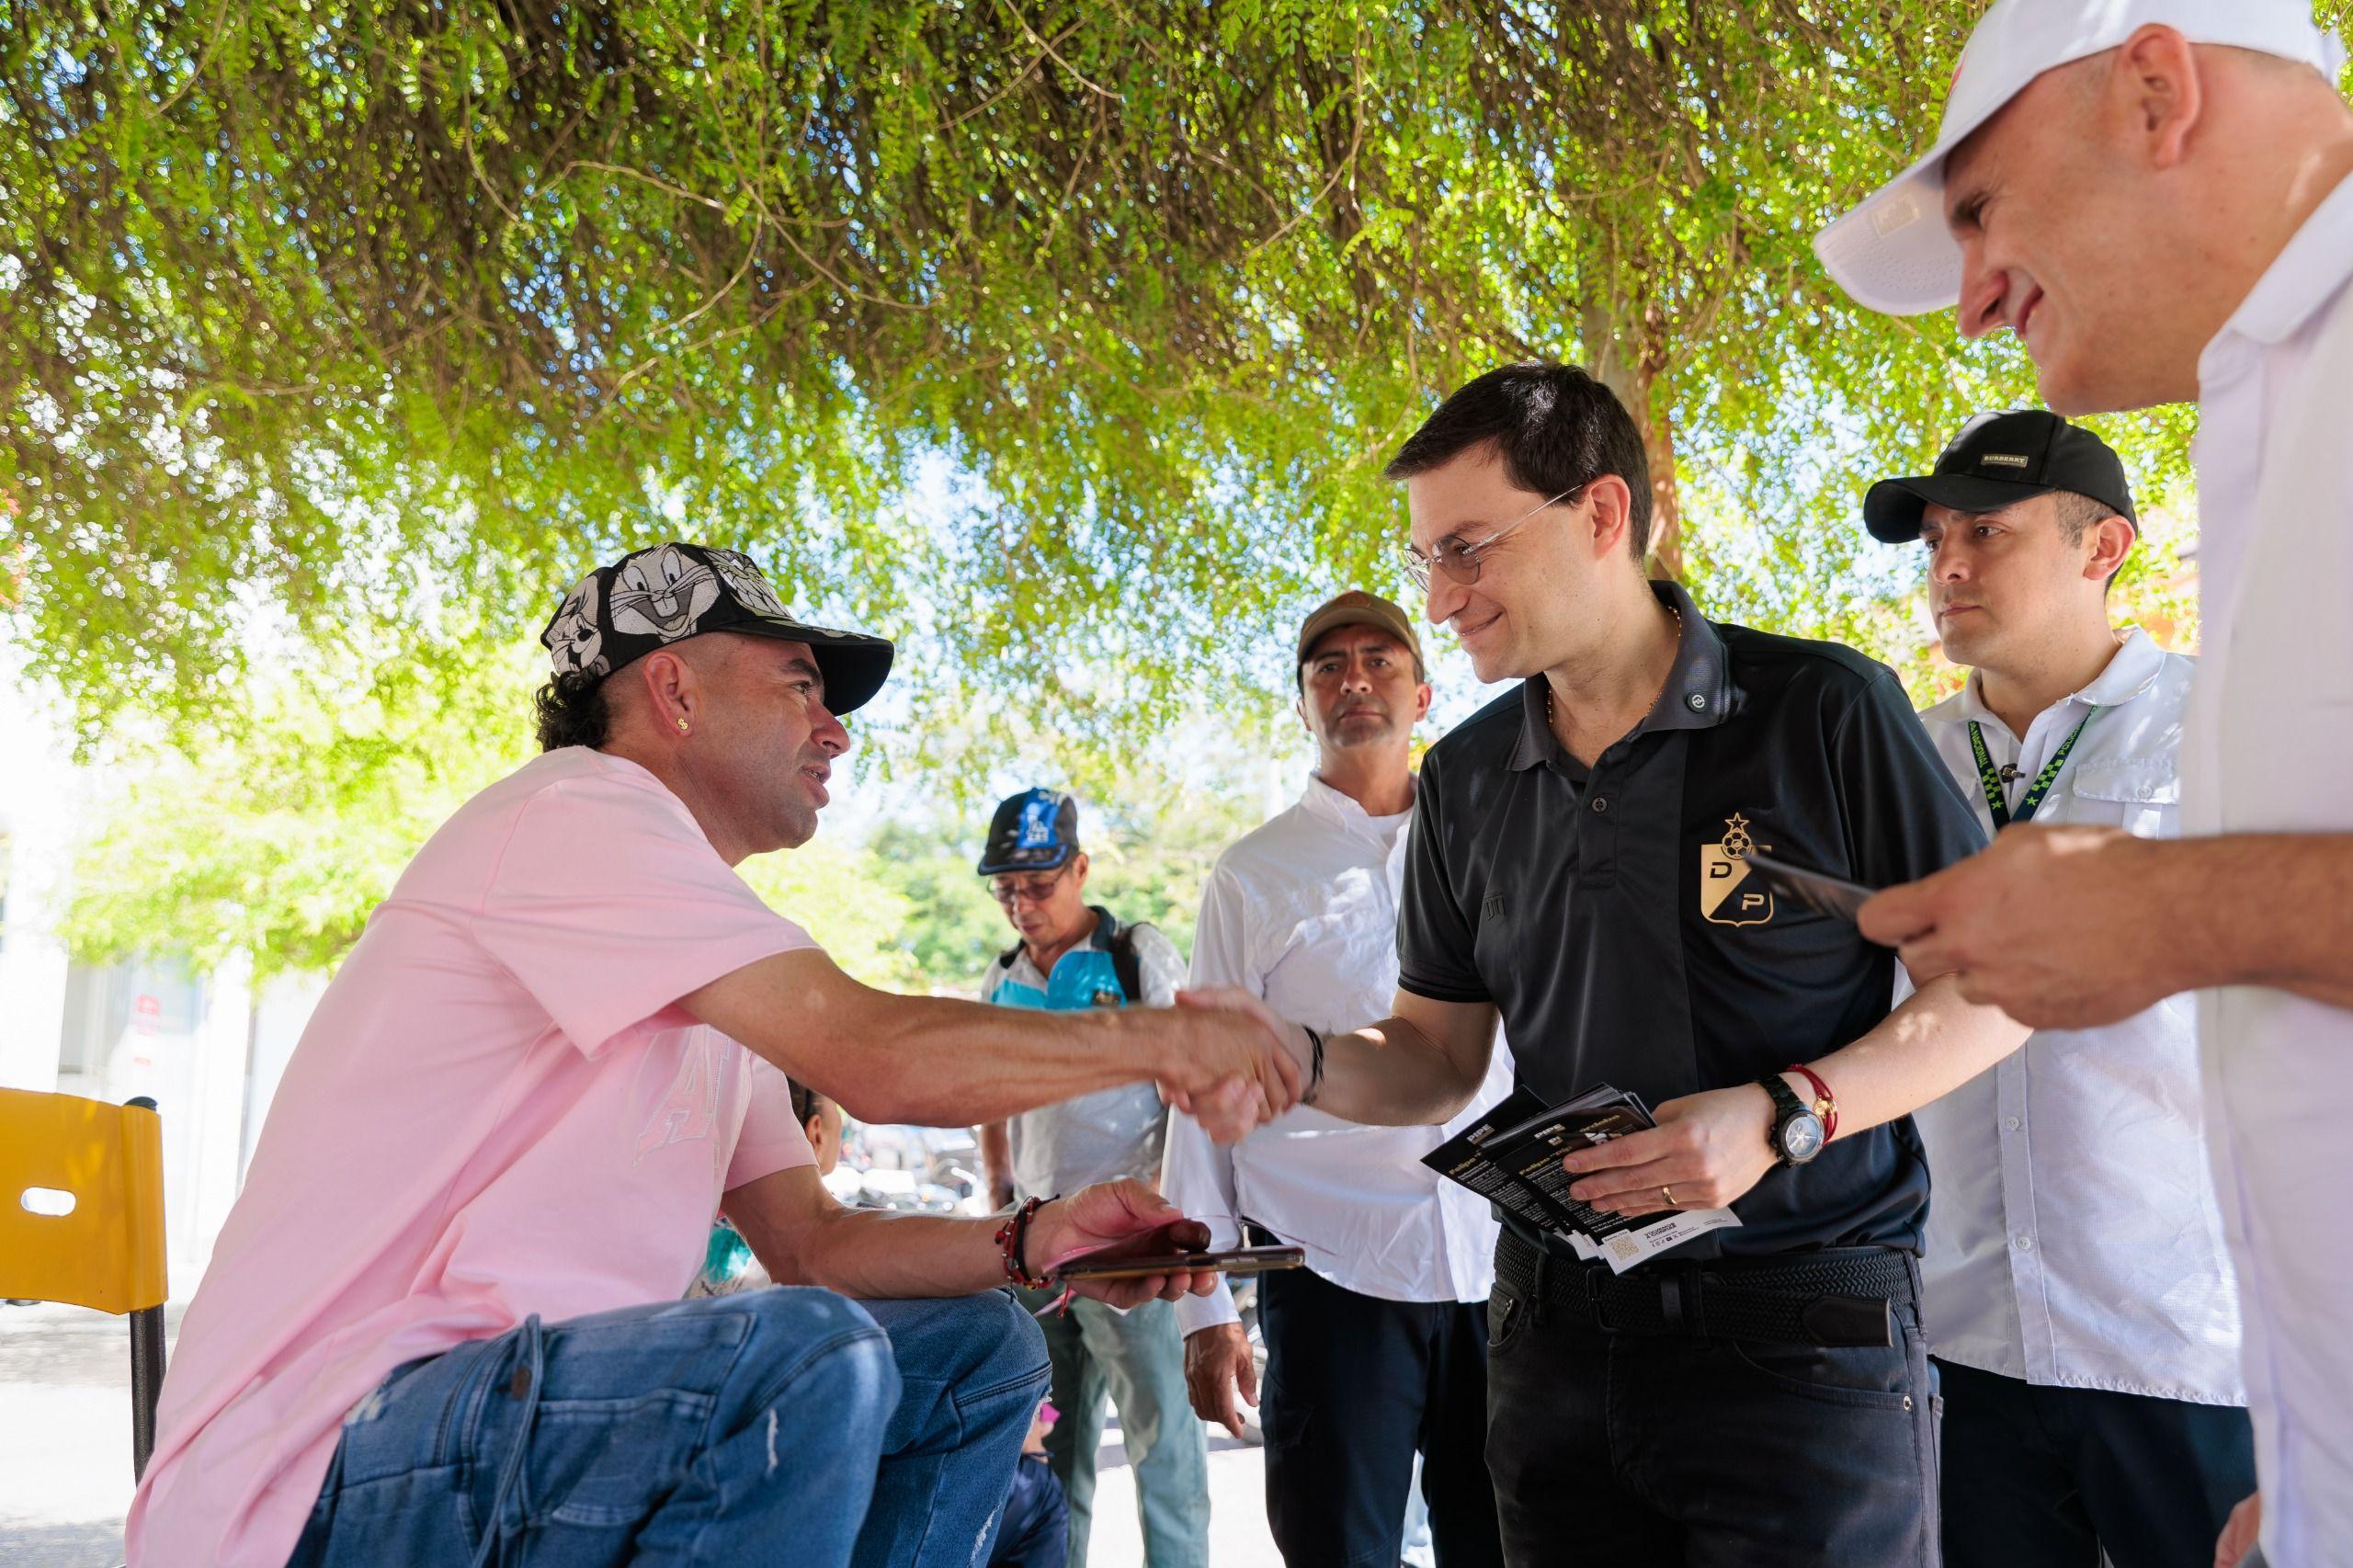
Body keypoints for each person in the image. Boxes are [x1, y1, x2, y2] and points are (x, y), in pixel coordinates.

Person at [125, 542, 1297, 1568]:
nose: (835, 729)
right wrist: (1167, 1035)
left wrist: (1035, 1239)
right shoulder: (575, 809)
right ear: (673, 688)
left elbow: (814, 1242)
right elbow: (873, 1057)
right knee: (801, 1360)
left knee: (978, 1352)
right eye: (799, 685)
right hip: (325, 1457)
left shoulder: (700, 951)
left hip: (508, 1426)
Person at [1198, 363, 2034, 1565]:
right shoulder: (1464, 779)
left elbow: (1997, 983)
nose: (1439, 599)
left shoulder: (1823, 709)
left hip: (1802, 1339)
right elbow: (1434, 1055)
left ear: (1599, 512)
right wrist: (1299, 1059)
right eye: (1426, 559)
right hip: (1553, 1345)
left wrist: (1787, 1110)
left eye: (1465, 550)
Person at [1813, 4, 2353, 1562]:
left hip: (2174, 1363)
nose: (1973, 299)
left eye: (1984, 207)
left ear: (2155, 90)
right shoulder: (2283, 419)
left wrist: (2169, 910)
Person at [1863, 410, 2255, 1566]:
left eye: (1986, 530)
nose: (1948, 563)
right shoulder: (1900, 757)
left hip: (2185, 1342)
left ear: (2104, 547)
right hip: (1962, 1340)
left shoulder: (2226, 725)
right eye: (1935, 538)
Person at [1161, 589, 1509, 1567]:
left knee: (1510, 1545)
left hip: (1504, 1267)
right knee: (1338, 1551)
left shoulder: (1494, 846)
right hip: (1333, 1270)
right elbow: (1206, 1080)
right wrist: (1204, 1306)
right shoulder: (1255, 873)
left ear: (1423, 693)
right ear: (1303, 703)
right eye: (1329, 665)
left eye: (1379, 660)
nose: (1354, 679)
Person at [975, 789, 1211, 1568]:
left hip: (1128, 1244)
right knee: (1048, 1448)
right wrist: (997, 1189)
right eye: (1006, 890)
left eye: (1038, 885)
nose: (1022, 905)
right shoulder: (1001, 976)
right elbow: (988, 1095)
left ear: (1080, 870)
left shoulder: (1134, 956)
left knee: (1162, 1445)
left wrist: (1168, 1213)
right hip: (1034, 1250)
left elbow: (1191, 1091)